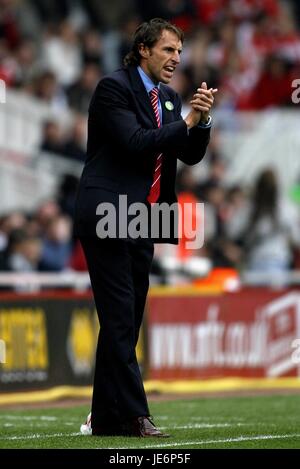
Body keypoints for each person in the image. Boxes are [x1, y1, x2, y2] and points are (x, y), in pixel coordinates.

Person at [74, 18, 216, 437]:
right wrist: (186, 122)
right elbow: (136, 141)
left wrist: (201, 122)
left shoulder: (169, 98)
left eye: (180, 52)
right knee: (120, 319)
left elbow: (187, 155)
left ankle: (105, 417)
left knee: (127, 321)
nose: (176, 59)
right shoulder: (112, 88)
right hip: (107, 214)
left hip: (146, 218)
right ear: (143, 49)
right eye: (169, 50)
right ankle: (137, 415)